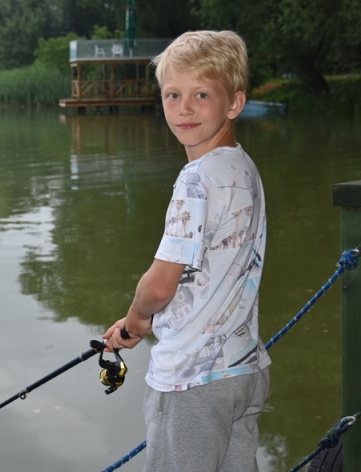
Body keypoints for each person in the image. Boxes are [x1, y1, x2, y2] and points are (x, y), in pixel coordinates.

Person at [103, 30, 271, 472]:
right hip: (243, 368)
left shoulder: (195, 181)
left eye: (201, 94)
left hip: (191, 379)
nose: (185, 108)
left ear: (234, 103)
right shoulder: (242, 166)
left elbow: (159, 287)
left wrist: (136, 321)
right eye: (173, 95)